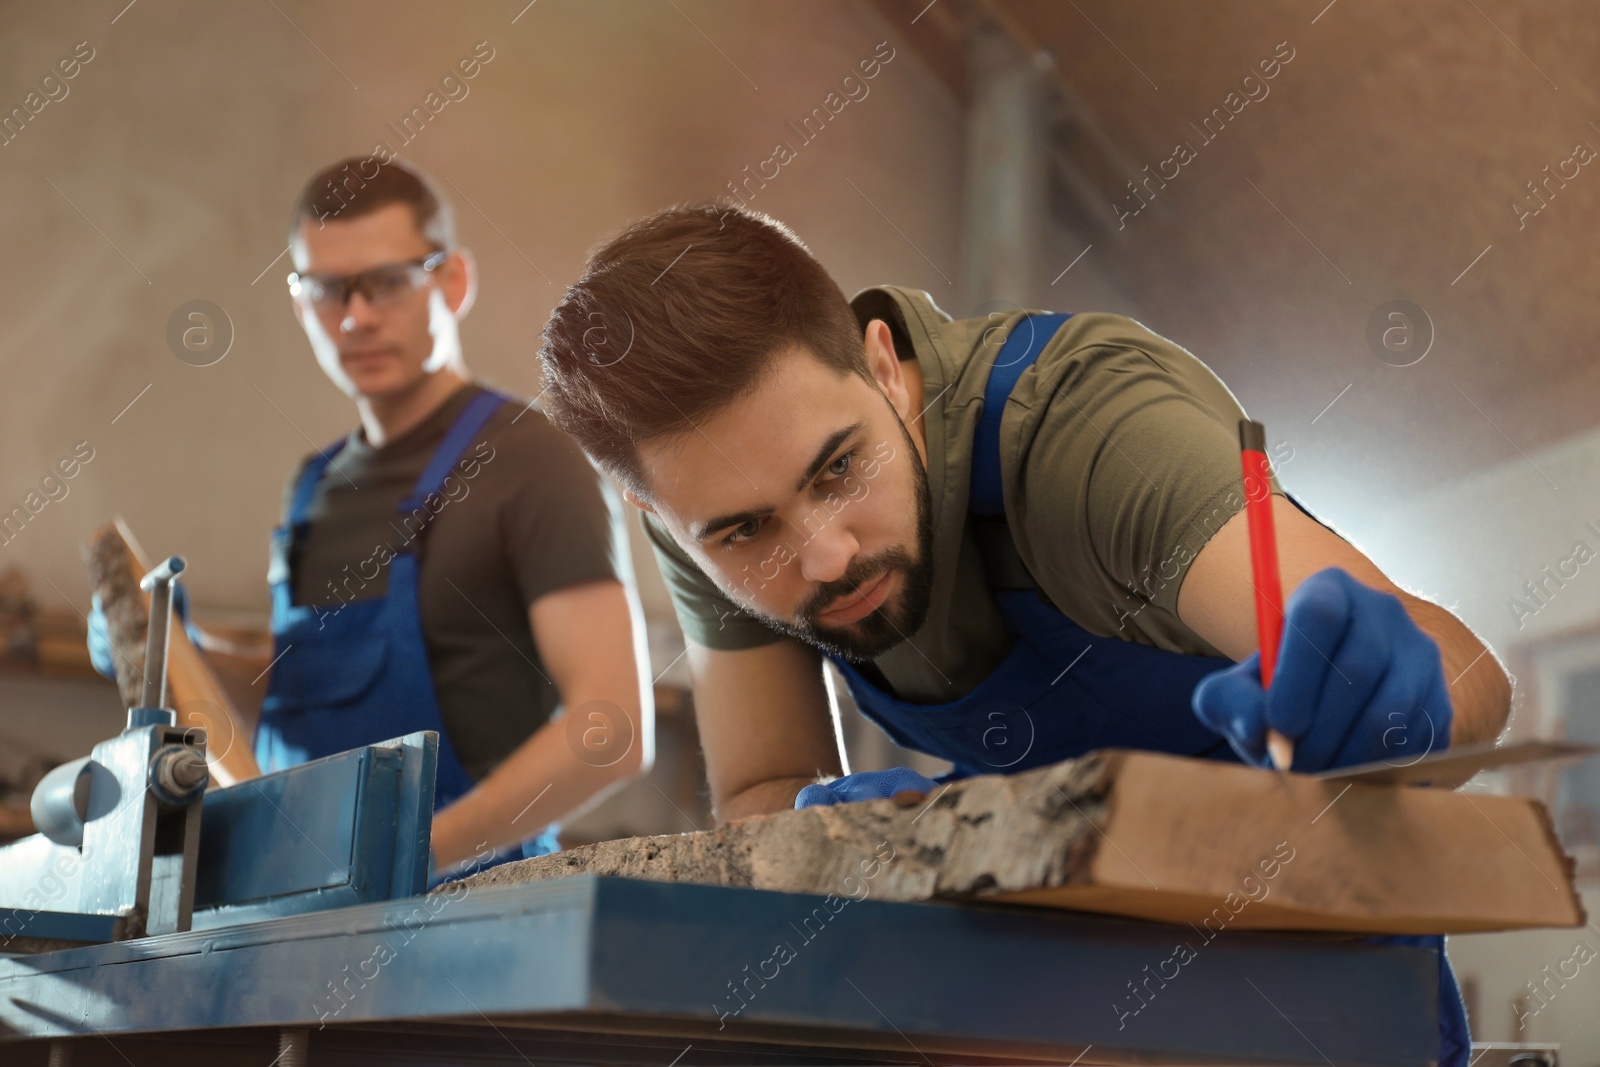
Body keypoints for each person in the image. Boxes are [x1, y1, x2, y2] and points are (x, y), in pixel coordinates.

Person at [534, 204, 1510, 1063]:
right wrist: (854, 840)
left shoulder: (1091, 433)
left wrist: (1403, 706)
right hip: (1039, 981)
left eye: (837, 470)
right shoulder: (704, 520)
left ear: (885, 369)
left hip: (1302, 965)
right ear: (660, 519)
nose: (822, 554)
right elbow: (757, 787)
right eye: (745, 530)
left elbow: (1462, 667)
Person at [93, 158, 653, 881]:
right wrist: (178, 653)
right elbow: (301, 688)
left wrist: (414, 857)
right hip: (296, 891)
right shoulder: (315, 484)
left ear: (452, 281)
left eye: (387, 281)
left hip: (466, 905)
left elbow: (612, 729)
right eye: (326, 289)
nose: (355, 316)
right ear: (301, 305)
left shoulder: (530, 462)